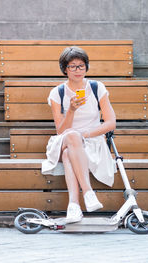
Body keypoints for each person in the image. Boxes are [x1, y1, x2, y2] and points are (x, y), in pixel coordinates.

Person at [42, 46, 116, 223]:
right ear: (65, 69)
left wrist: (86, 134)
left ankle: (74, 206)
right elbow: (61, 131)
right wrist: (72, 110)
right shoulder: (57, 93)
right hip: (64, 140)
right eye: (72, 66)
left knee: (70, 152)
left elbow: (111, 123)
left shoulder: (97, 88)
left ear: (86, 67)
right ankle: (88, 192)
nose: (77, 70)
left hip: (90, 141)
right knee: (72, 137)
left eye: (81, 66)